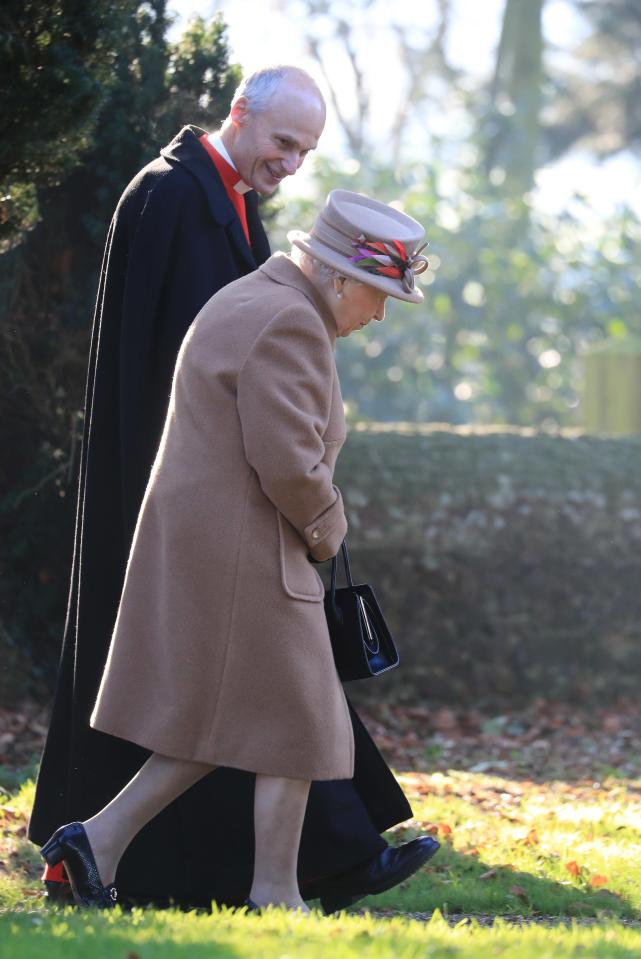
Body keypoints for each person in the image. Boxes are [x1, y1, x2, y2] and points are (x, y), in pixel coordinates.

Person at [29, 65, 436, 913]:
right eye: (379, 292)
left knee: (241, 726)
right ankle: (268, 890)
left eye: (304, 150)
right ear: (335, 277)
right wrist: (328, 528)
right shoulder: (282, 308)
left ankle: (121, 847)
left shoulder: (265, 286)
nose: (381, 313)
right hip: (245, 546)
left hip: (222, 537)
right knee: (289, 719)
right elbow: (286, 457)